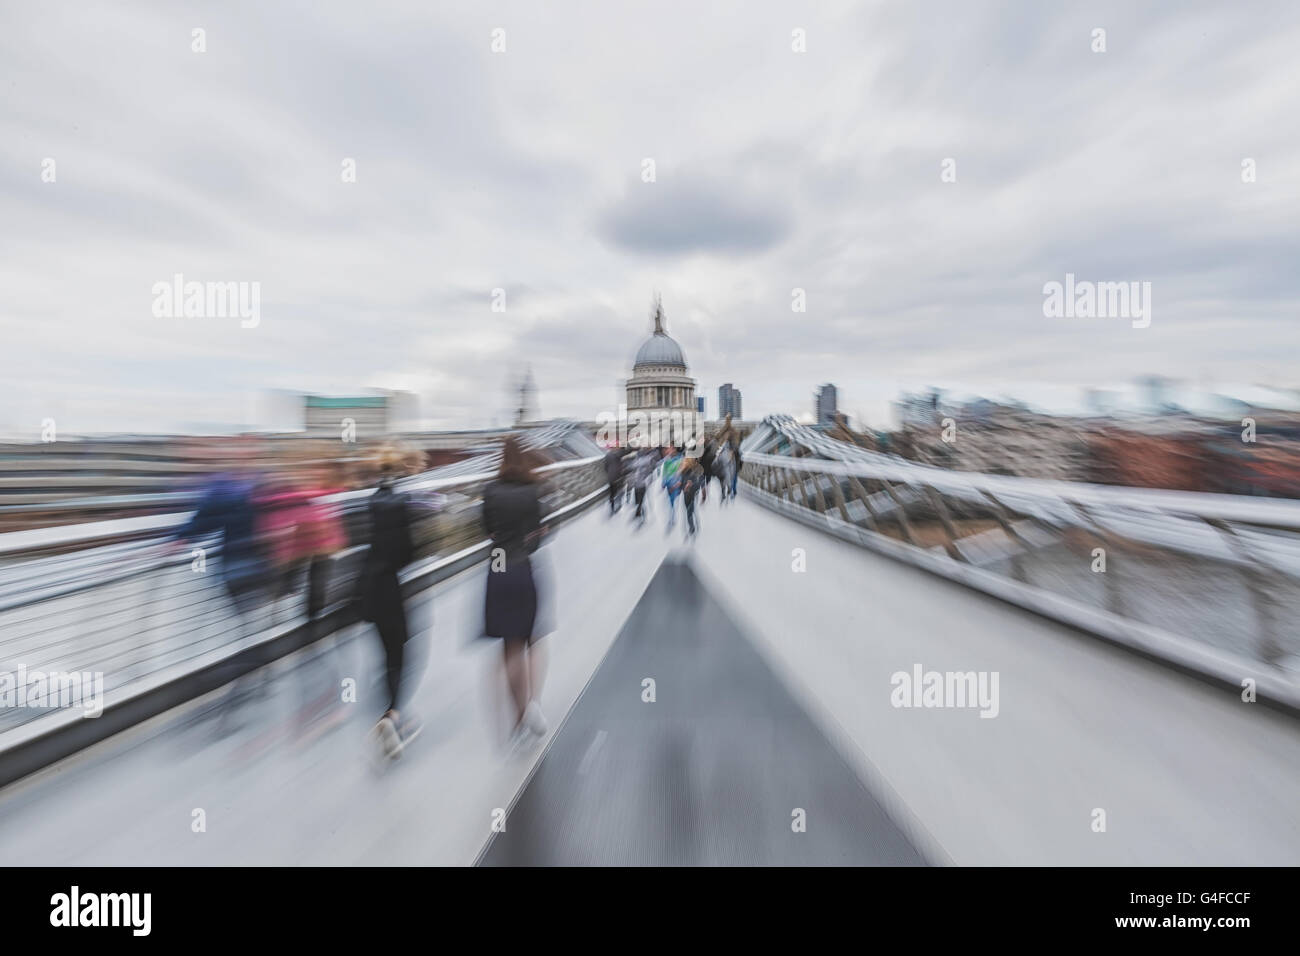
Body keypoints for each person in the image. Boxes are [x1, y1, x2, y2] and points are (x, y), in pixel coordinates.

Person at [482, 436, 551, 746]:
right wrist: (526, 544)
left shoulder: (490, 491)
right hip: (523, 567)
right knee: (531, 638)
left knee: (510, 647)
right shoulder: (531, 492)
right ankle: (533, 704)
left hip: (497, 569)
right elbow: (538, 535)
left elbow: (487, 531)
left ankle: (519, 718)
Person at [356, 443, 421, 759]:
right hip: (392, 589)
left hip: (369, 588)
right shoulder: (403, 502)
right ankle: (392, 716)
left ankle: (389, 714)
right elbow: (408, 552)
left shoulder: (368, 502)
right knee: (401, 655)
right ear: (399, 470)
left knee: (384, 655)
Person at [630, 446, 654, 526]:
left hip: (642, 484)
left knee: (640, 501)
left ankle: (642, 516)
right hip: (637, 483)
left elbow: (650, 471)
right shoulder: (640, 458)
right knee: (637, 501)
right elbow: (633, 466)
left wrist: (647, 480)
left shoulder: (648, 459)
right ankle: (638, 514)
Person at [661, 445, 683, 530]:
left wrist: (678, 483)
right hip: (668, 484)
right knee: (669, 502)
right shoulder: (667, 460)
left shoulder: (680, 459)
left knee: (673, 502)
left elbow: (681, 472)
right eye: (667, 448)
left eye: (670, 448)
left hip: (675, 485)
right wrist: (663, 482)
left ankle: (672, 519)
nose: (668, 450)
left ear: (674, 449)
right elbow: (664, 472)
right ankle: (671, 518)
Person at [681, 456, 704, 537]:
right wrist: (683, 487)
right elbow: (681, 480)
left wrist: (691, 484)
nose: (687, 461)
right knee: (690, 510)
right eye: (686, 460)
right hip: (686, 494)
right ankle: (696, 524)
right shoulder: (684, 469)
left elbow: (700, 481)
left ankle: (692, 528)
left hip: (693, 493)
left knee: (689, 512)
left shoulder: (697, 469)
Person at [603, 444, 625, 514]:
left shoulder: (608, 455)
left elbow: (605, 467)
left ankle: (612, 507)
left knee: (612, 493)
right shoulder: (621, 454)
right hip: (619, 477)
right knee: (619, 492)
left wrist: (609, 473)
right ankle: (617, 505)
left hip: (611, 478)